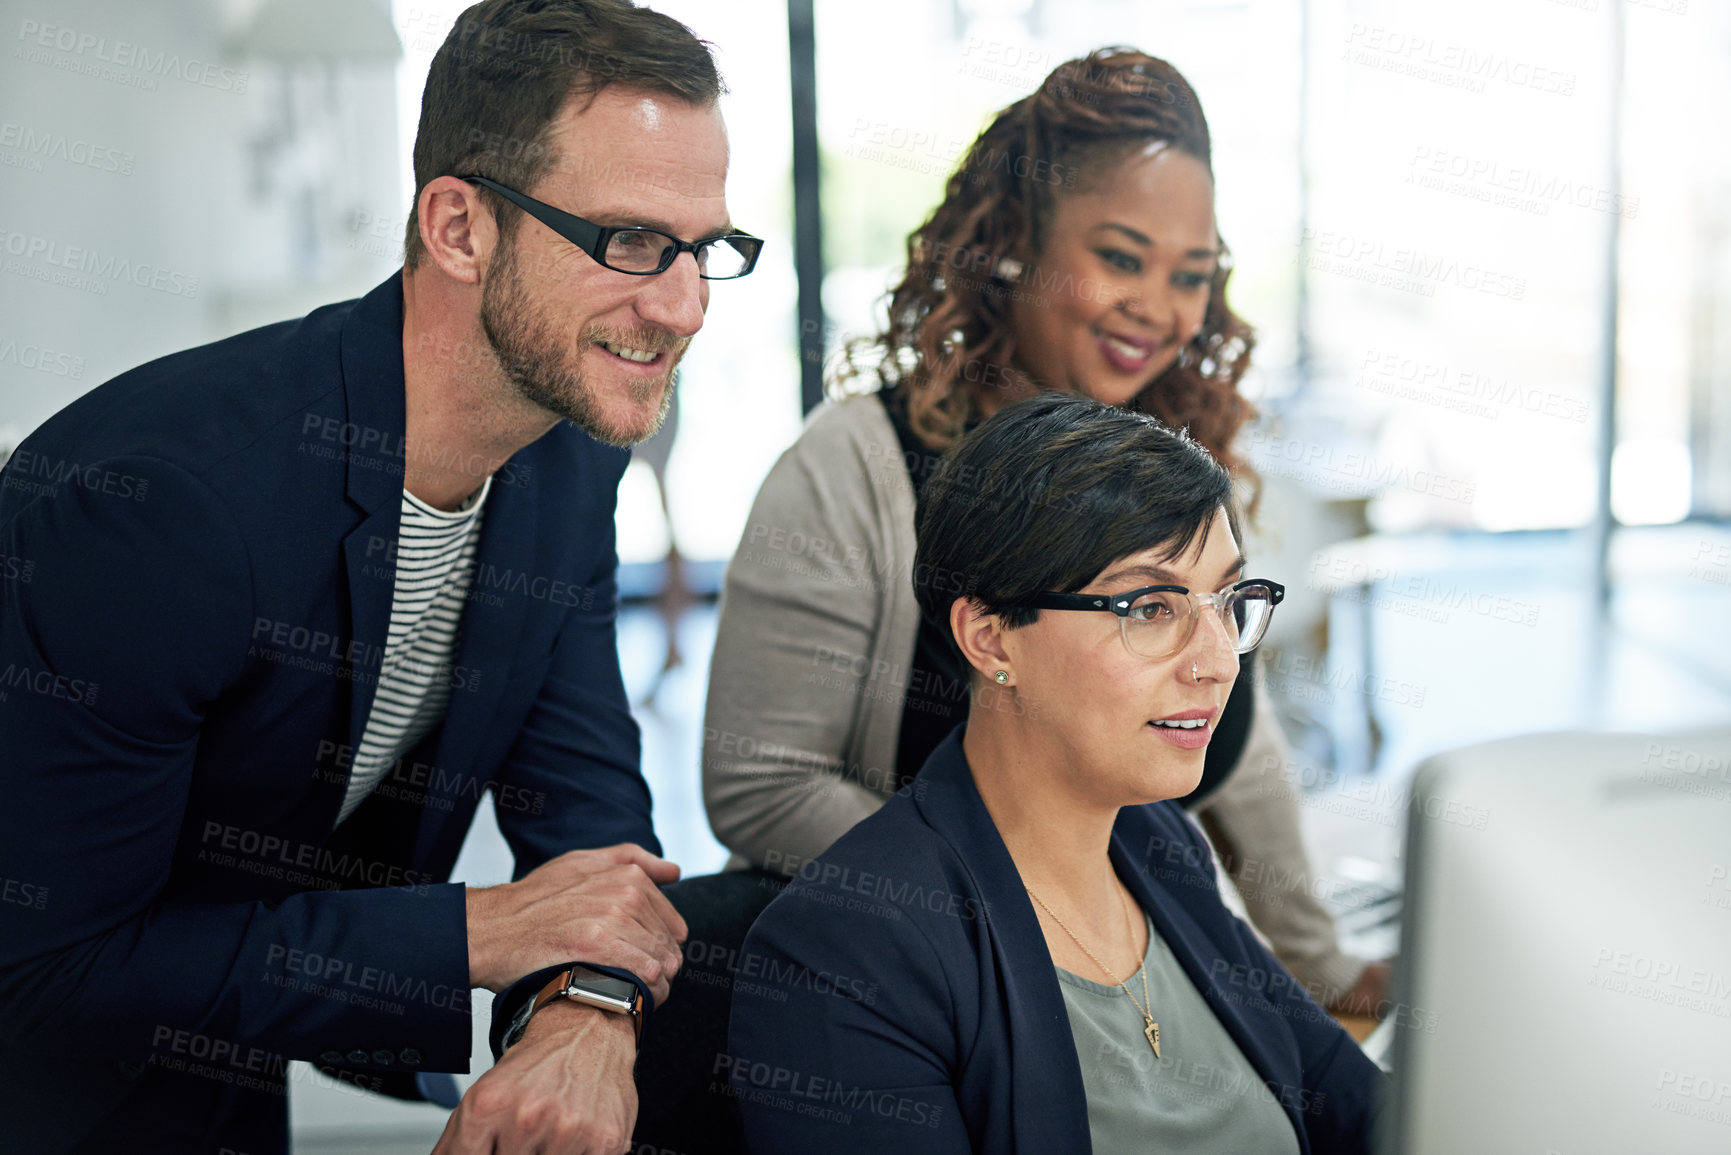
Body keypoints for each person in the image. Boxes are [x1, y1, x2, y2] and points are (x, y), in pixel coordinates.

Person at [0, 2, 763, 1152]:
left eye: (704, 249)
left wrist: (584, 1010)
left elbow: (586, 800)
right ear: (459, 227)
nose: (684, 306)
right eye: (631, 243)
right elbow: (45, 969)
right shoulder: (161, 509)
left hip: (229, 1074)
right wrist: (477, 933)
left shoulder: (560, 458)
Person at [703, 47, 1386, 1015]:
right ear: (1016, 242)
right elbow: (763, 786)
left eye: (1191, 275)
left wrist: (1320, 963)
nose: (1159, 309)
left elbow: (1247, 742)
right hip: (902, 981)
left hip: (1110, 971)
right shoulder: (855, 466)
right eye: (1119, 258)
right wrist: (1034, 911)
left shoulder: (1179, 464)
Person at [727, 393, 1383, 1154]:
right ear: (991, 637)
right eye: (1150, 608)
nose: (1214, 662)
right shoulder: (842, 954)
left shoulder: (1153, 844)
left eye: (1228, 600)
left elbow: (1362, 1108)